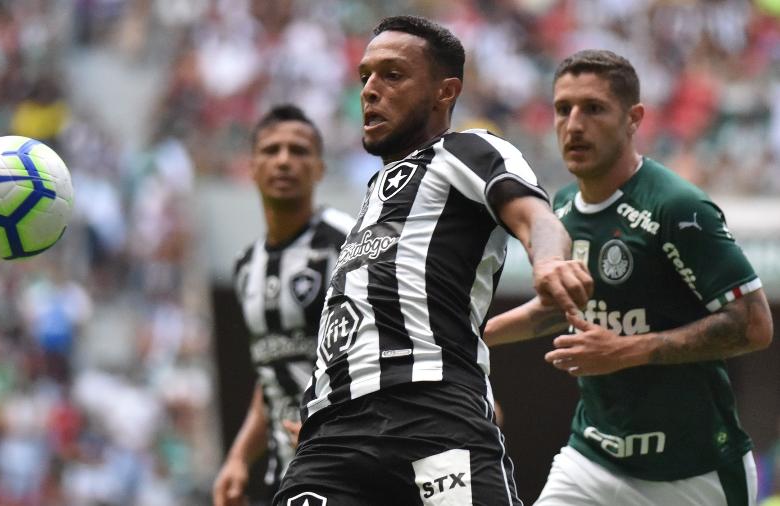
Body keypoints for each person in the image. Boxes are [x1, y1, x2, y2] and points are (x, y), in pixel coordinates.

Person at [273, 16, 592, 506]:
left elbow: (537, 217)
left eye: (392, 75)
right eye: (365, 77)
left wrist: (548, 262)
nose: (370, 91)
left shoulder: (467, 151)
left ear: (445, 91)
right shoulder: (373, 193)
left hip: (431, 415)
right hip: (330, 437)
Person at [484, 49, 774, 506]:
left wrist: (625, 351)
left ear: (634, 118)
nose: (574, 124)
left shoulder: (676, 207)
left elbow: (754, 324)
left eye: (594, 108)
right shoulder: (559, 208)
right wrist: (468, 337)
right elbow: (559, 308)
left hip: (693, 471)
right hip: (592, 459)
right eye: (564, 109)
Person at [213, 104, 355, 506]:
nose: (284, 161)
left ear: (320, 169)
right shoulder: (246, 267)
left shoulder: (348, 243)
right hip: (287, 474)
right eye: (271, 150)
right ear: (252, 166)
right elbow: (272, 373)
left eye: (299, 151)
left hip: (352, 468)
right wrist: (239, 457)